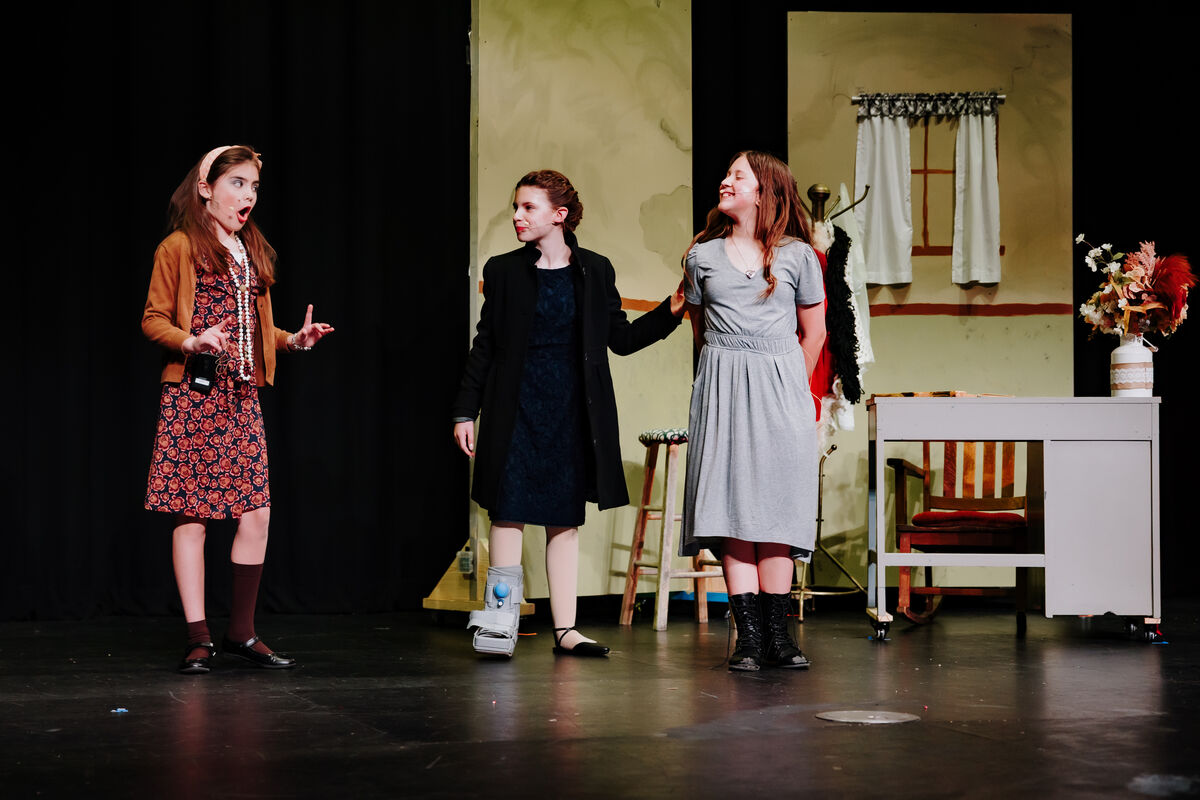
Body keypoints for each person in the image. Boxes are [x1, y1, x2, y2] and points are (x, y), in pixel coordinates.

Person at [451, 169, 684, 658]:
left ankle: (566, 630)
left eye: (528, 207)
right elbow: (485, 346)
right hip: (515, 409)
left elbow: (620, 339)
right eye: (516, 207)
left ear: (559, 215)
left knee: (563, 519)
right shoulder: (503, 270)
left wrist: (671, 311)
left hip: (571, 413)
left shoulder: (595, 270)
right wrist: (465, 412)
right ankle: (500, 623)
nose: (517, 216)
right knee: (508, 513)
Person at [142, 145, 334, 674]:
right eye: (237, 183)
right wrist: (192, 340)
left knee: (257, 512)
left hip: (241, 396)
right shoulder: (180, 246)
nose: (248, 195)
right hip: (193, 395)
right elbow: (154, 319)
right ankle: (198, 637)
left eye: (253, 187)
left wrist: (293, 340)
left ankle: (242, 633)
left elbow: (256, 331)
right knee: (193, 515)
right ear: (206, 189)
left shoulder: (250, 251)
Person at [679, 151, 826, 671]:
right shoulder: (701, 256)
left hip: (781, 392)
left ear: (765, 191)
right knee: (732, 510)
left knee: (777, 511)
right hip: (722, 390)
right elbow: (700, 331)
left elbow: (814, 333)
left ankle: (779, 638)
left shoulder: (798, 256)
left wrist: (787, 385)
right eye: (726, 174)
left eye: (737, 176)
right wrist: (726, 375)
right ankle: (749, 637)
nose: (725, 181)